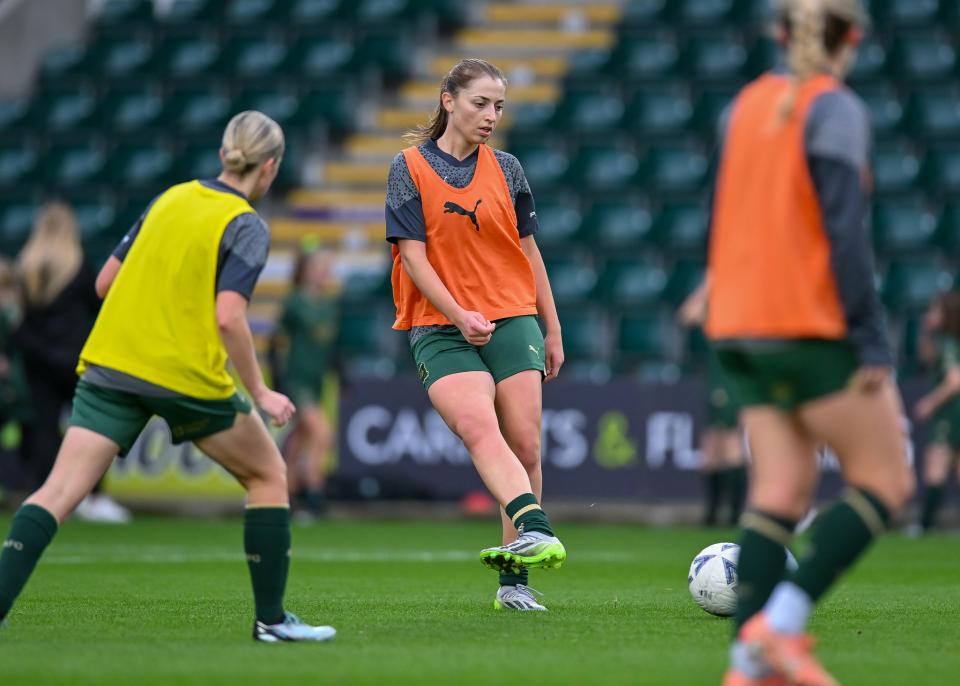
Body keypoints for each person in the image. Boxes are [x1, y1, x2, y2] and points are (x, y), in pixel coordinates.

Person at [0, 111, 335, 642]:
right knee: (268, 474)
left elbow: (106, 283)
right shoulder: (246, 223)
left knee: (57, 491)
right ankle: (271, 621)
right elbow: (229, 317)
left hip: (113, 362)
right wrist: (261, 391)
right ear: (271, 167)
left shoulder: (170, 197)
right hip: (183, 373)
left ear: (223, 154)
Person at [706, 1, 915, 684]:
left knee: (780, 491)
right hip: (807, 325)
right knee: (886, 482)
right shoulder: (836, 109)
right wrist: (871, 336)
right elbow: (844, 232)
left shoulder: (742, 107)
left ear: (778, 33)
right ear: (853, 38)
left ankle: (745, 664)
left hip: (737, 324)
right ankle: (781, 625)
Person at [385, 58, 566, 612]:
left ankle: (514, 585)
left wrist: (553, 327)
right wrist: (459, 313)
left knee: (525, 445)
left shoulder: (508, 168)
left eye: (499, 106)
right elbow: (413, 258)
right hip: (439, 325)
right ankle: (537, 528)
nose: (491, 115)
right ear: (449, 101)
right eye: (480, 103)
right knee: (478, 427)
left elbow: (529, 252)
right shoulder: (408, 167)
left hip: (512, 315)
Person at [13, 202, 130, 524]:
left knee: (44, 429)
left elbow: (20, 316)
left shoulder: (27, 265)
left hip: (37, 358)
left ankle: (41, 497)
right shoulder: (78, 265)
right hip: (75, 358)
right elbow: (96, 308)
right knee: (92, 427)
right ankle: (94, 497)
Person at [274, 245, 339, 519]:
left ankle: (284, 496)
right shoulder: (294, 304)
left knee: (299, 439)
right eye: (318, 266)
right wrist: (278, 382)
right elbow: (277, 344)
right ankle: (314, 491)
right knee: (322, 434)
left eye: (327, 267)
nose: (324, 272)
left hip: (316, 381)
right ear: (305, 270)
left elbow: (329, 348)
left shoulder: (330, 305)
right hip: (297, 380)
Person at [678, 279, 747, 526]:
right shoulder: (720, 315)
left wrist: (711, 282)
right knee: (711, 450)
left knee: (730, 445)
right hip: (718, 379)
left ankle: (734, 514)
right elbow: (688, 314)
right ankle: (714, 513)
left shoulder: (741, 316)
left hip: (730, 382)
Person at [912, 290, 960, 533]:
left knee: (935, 464)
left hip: (951, 412)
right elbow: (924, 356)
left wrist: (930, 403)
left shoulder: (948, 343)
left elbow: (955, 380)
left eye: (935, 310)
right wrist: (926, 331)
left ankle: (925, 526)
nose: (929, 315)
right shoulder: (942, 340)